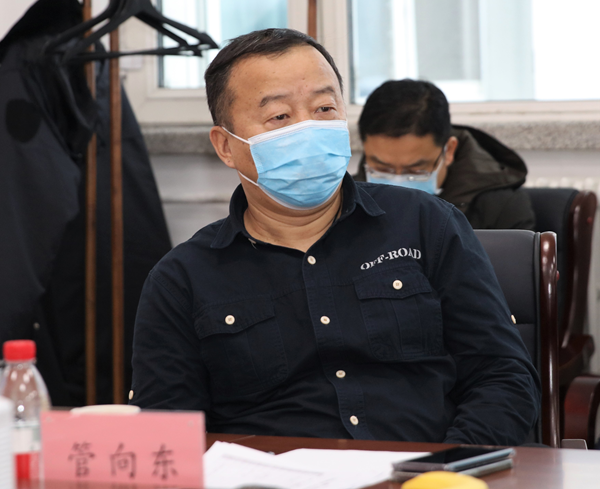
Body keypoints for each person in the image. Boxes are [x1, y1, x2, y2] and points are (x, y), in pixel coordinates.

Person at [130, 28, 540, 445]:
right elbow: (167, 433)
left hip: (426, 467)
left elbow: (503, 376)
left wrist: (449, 467)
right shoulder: (182, 279)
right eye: (280, 117)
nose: (308, 128)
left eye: (324, 108)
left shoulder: (426, 223)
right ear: (225, 146)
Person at [354, 79, 536, 230]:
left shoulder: (501, 208)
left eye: (415, 171)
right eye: (382, 169)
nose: (397, 184)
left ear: (449, 151)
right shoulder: (345, 202)